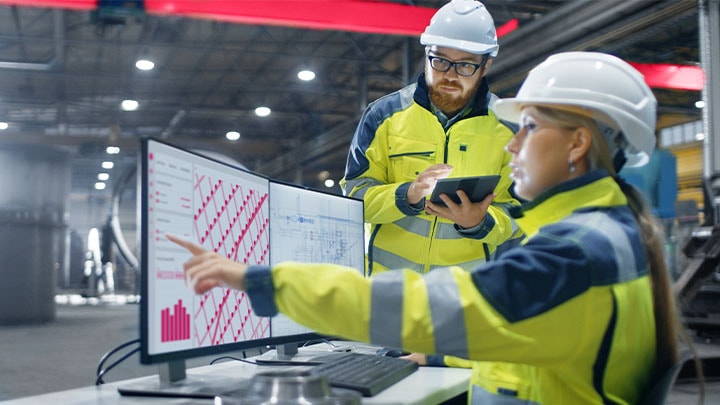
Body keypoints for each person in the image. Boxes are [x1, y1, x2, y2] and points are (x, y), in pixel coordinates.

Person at [168, 51, 688, 403]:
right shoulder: (604, 232)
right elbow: (537, 330)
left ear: (577, 144)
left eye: (528, 127)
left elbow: (424, 305)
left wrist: (264, 280)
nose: (511, 145)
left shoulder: (576, 253)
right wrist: (440, 352)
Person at [339, 0, 521, 277]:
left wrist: (480, 221)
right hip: (386, 286)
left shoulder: (509, 128)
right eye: (440, 60)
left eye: (465, 66)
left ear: (485, 66)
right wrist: (406, 195)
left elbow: (522, 213)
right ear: (427, 54)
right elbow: (353, 197)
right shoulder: (383, 116)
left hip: (463, 296)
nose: (449, 74)